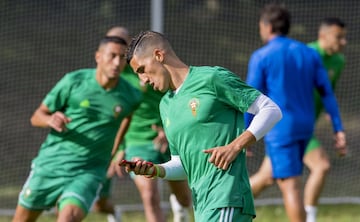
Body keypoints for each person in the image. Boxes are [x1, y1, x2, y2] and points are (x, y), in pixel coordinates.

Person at [120, 30, 283, 222]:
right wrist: (155, 170)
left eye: (142, 70)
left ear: (158, 55)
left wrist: (236, 145)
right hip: (203, 205)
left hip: (226, 199)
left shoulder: (212, 79)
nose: (143, 80)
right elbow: (182, 164)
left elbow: (270, 110)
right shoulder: (165, 106)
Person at [12, 36, 142, 222]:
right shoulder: (74, 81)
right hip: (52, 164)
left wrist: (119, 149)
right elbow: (37, 116)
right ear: (98, 57)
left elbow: (127, 119)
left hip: (89, 170)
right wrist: (51, 120)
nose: (116, 62)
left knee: (68, 218)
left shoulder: (132, 94)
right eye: (111, 55)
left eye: (121, 58)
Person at [246, 4, 347, 222]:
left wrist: (246, 132)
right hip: (305, 127)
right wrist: (338, 128)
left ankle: (227, 207)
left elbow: (250, 97)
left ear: (267, 26)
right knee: (269, 177)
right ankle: (230, 208)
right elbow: (327, 93)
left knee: (290, 187)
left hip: (281, 129)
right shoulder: (308, 53)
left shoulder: (262, 55)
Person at [94, 26, 193, 222]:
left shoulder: (149, 67)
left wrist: (170, 130)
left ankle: (180, 208)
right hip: (137, 141)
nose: (118, 52)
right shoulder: (109, 79)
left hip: (166, 136)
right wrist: (119, 148)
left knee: (185, 198)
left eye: (123, 44)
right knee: (149, 195)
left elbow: (176, 96)